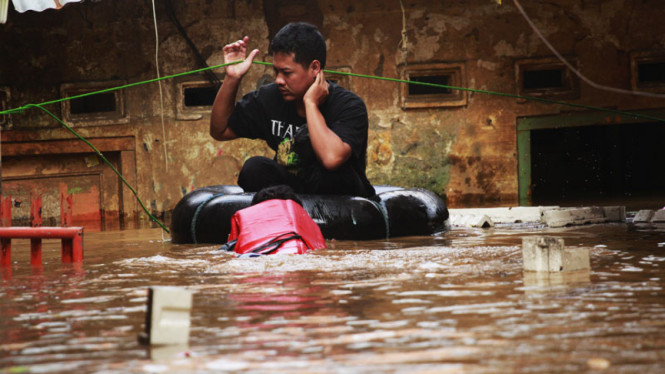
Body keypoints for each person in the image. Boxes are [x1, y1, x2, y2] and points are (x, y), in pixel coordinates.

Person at [210, 22, 375, 197]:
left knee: (333, 176)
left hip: (340, 198)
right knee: (254, 168)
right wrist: (232, 78)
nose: (279, 80)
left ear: (314, 68)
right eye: (276, 72)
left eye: (287, 73)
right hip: (291, 189)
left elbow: (331, 159)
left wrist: (310, 104)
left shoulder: (349, 105)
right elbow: (220, 130)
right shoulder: (270, 98)